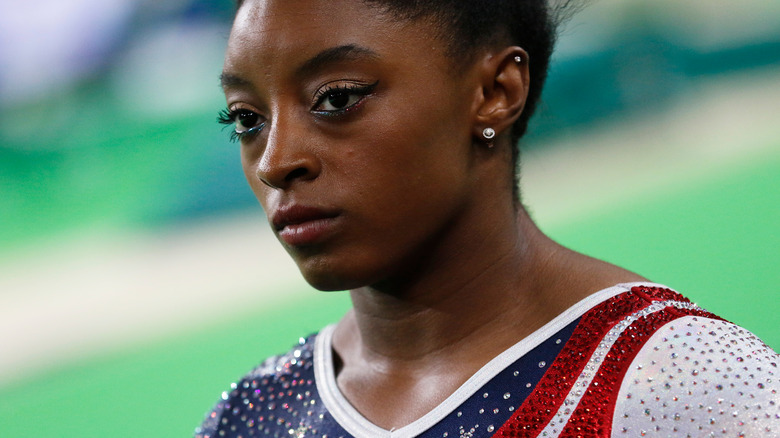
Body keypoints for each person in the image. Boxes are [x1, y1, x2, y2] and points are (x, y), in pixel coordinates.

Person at [197, 0, 779, 436]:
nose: (275, 162)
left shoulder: (681, 385)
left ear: (497, 91)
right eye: (247, 120)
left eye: (338, 98)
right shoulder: (255, 415)